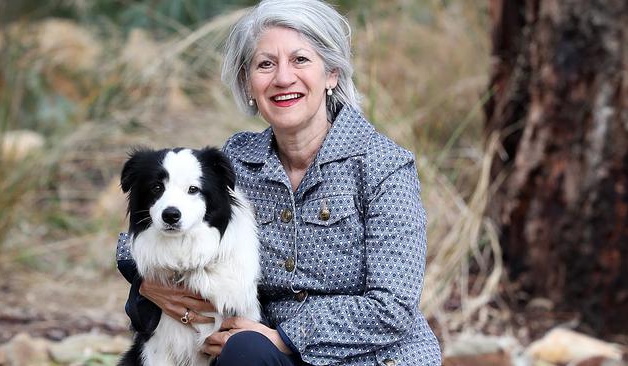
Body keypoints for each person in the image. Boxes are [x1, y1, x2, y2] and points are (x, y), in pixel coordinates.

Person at [116, 0, 442, 364]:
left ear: (332, 73)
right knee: (244, 351)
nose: (283, 78)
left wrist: (286, 336)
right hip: (263, 355)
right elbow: (156, 230)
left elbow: (392, 307)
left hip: (373, 357)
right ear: (248, 82)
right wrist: (146, 281)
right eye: (265, 64)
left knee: (248, 348)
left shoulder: (384, 166)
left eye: (300, 60)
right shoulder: (237, 160)